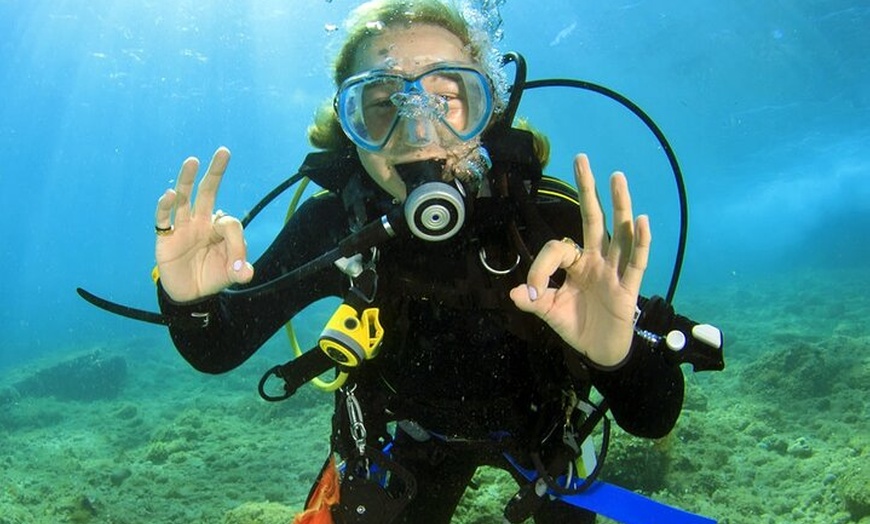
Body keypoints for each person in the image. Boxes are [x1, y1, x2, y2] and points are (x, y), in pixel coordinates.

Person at [152, 1, 690, 522]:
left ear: (489, 112)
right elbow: (218, 347)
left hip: (548, 435)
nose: (418, 132)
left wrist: (621, 357)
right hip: (406, 440)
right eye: (382, 104)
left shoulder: (548, 226)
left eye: (449, 96)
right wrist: (187, 299)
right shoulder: (335, 226)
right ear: (350, 125)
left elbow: (652, 415)